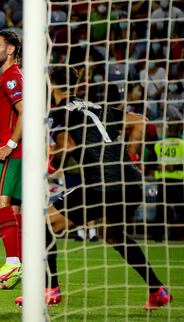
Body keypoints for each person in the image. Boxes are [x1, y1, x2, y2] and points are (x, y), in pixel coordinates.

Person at [15, 67, 173, 309]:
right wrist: (130, 154)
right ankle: (157, 290)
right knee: (113, 234)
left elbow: (65, 146)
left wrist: (49, 165)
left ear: (50, 86)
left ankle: (50, 289)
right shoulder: (96, 107)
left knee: (42, 223)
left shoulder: (59, 112)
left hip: (101, 184)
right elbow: (141, 122)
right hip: (130, 182)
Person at [0, 30, 24, 289]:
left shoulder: (12, 78)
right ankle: (19, 265)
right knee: (16, 209)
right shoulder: (12, 77)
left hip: (14, 151)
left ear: (10, 50)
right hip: (24, 152)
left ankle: (12, 263)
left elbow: (26, 110)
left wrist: (10, 144)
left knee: (0, 201)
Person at [151, 120, 183, 241]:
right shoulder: (182, 144)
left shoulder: (159, 144)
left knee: (161, 210)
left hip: (165, 181)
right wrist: (173, 167)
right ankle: (163, 236)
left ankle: (157, 237)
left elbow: (150, 162)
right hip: (175, 181)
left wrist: (160, 166)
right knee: (178, 210)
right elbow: (152, 163)